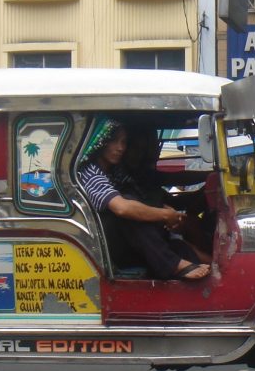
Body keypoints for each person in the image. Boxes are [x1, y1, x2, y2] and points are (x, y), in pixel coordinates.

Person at [78, 118, 210, 281]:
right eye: (114, 141)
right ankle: (173, 264)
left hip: (135, 244)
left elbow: (151, 191)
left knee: (180, 247)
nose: (120, 148)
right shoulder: (90, 174)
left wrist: (166, 212)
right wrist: (164, 215)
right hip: (110, 247)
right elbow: (123, 208)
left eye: (124, 142)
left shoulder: (116, 172)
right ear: (102, 142)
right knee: (128, 205)